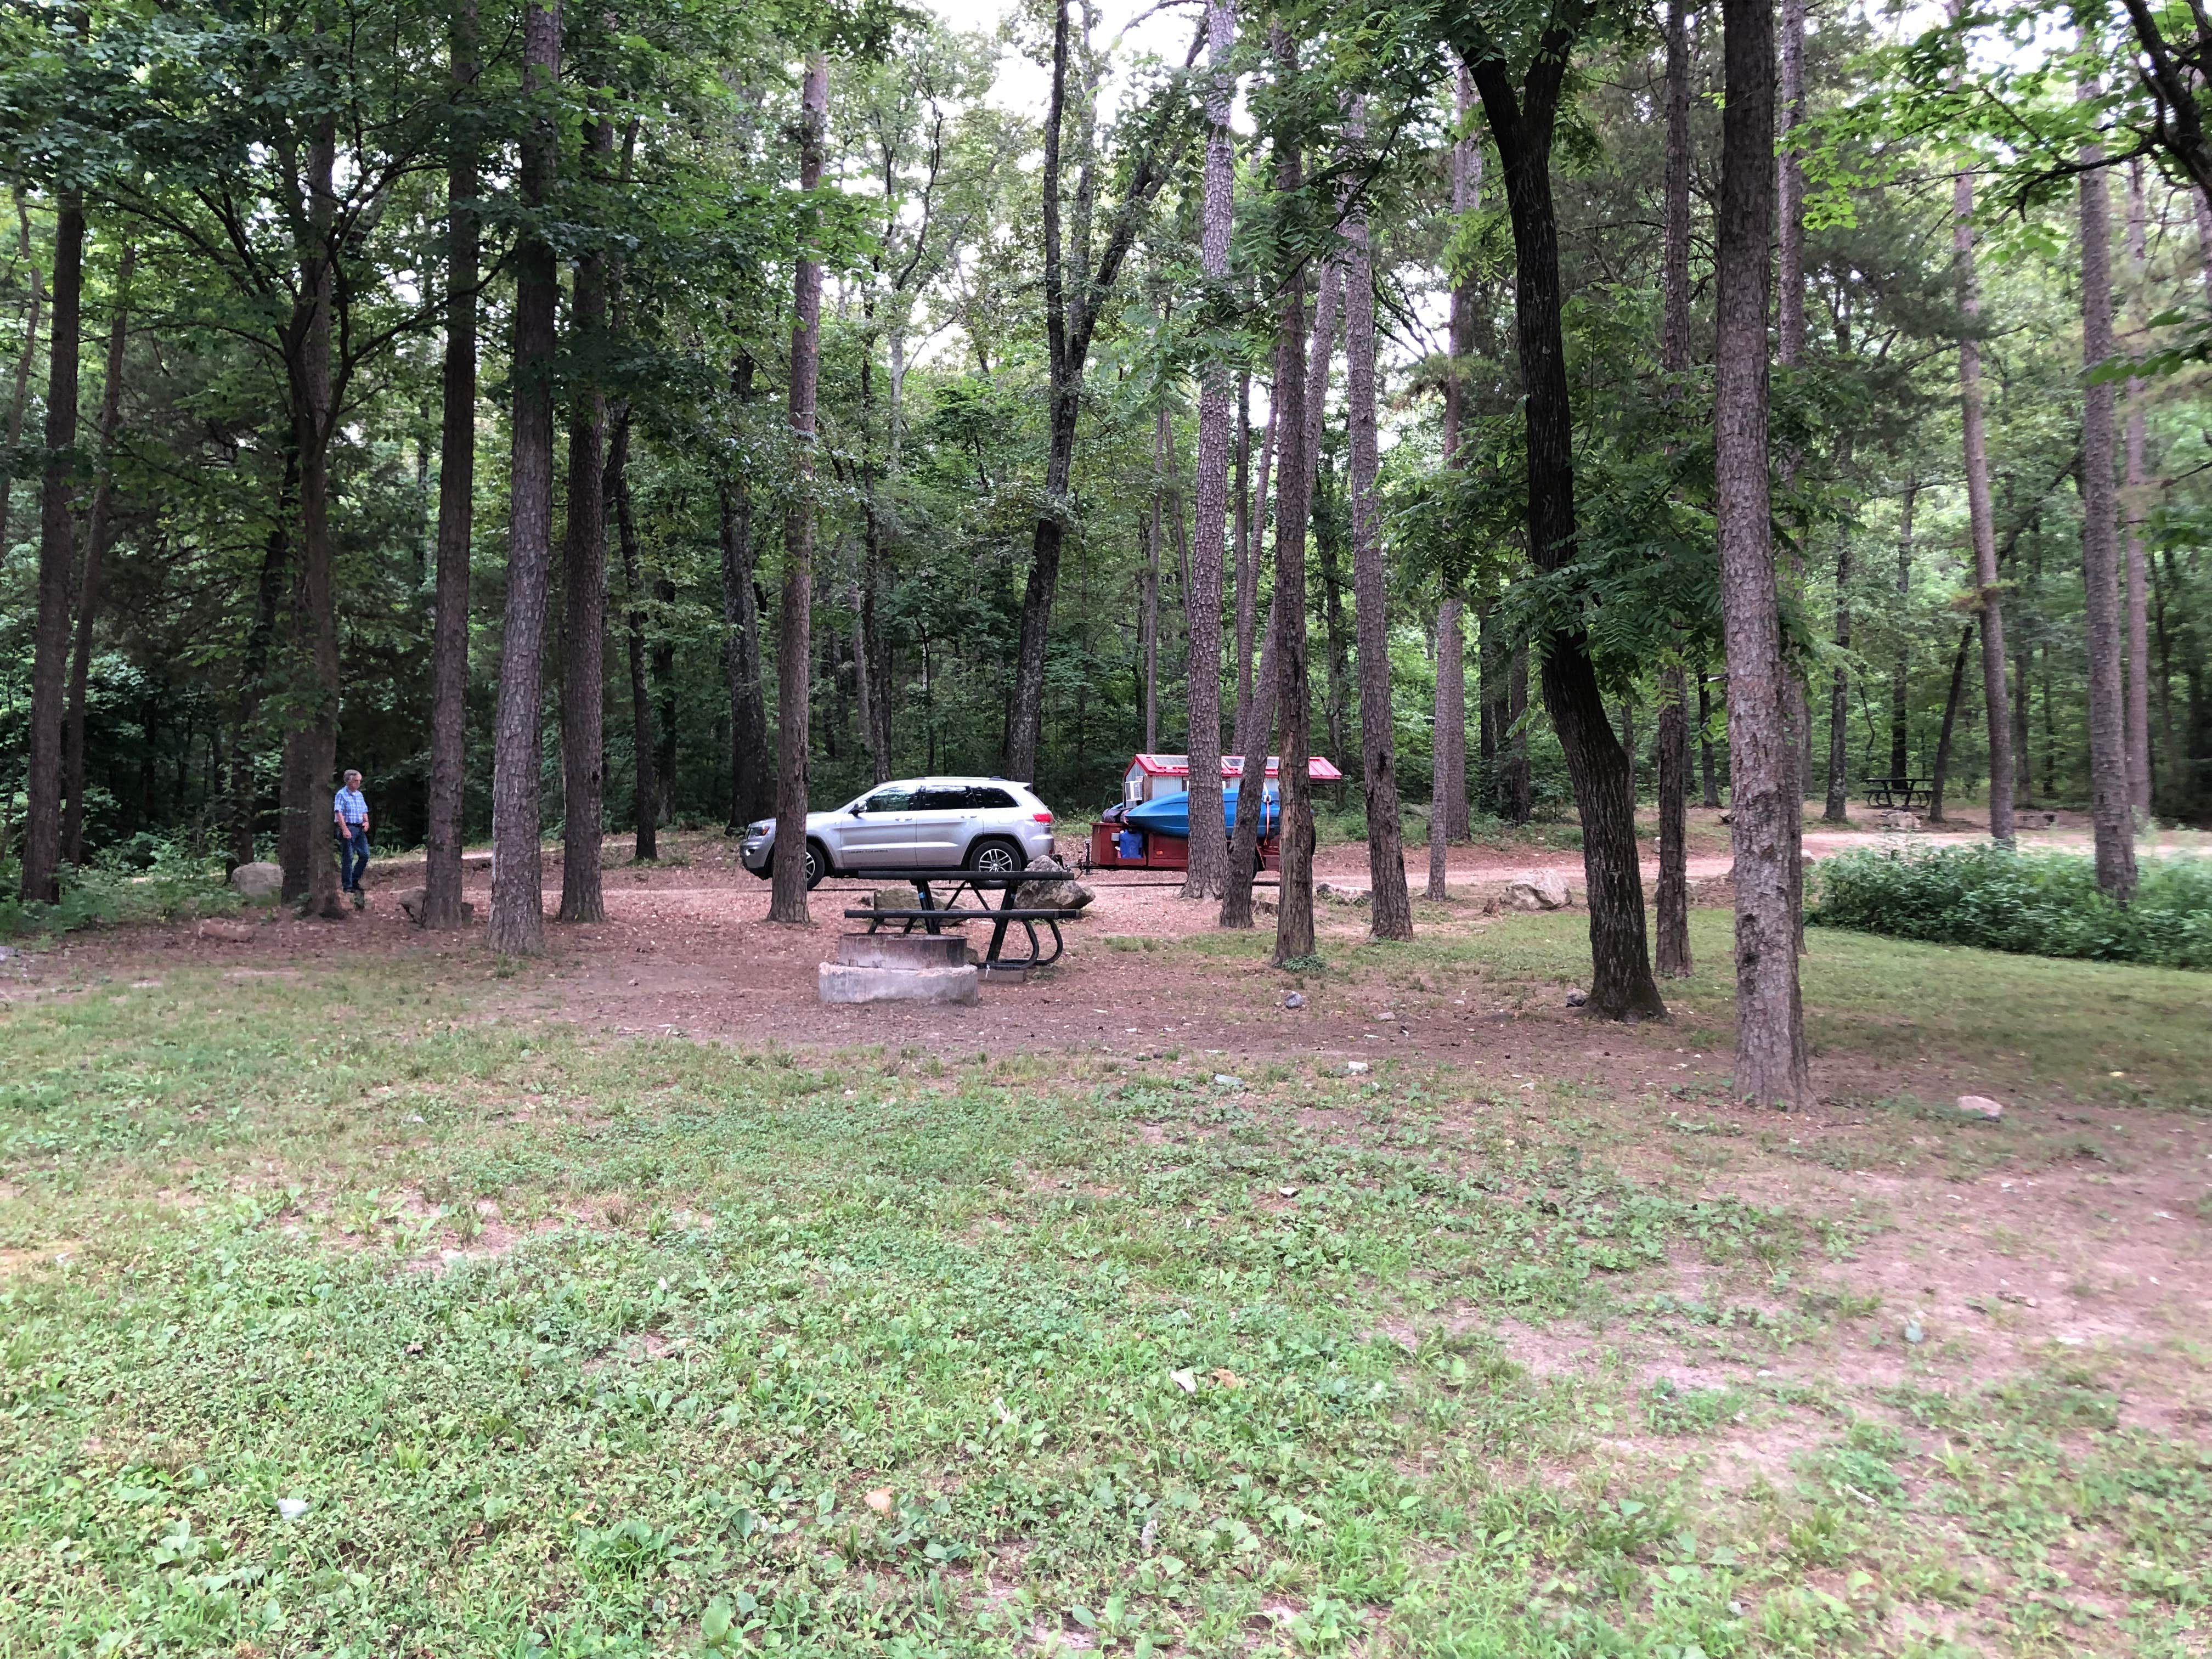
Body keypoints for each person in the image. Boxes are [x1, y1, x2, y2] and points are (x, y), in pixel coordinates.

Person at [334, 769, 371, 907]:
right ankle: (347, 885)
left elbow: (364, 810)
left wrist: (366, 821)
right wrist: (344, 829)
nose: (358, 783)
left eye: (359, 781)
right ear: (349, 781)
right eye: (356, 781)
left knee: (365, 855)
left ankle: (355, 879)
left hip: (359, 828)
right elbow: (339, 813)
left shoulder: (359, 795)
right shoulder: (341, 795)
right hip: (348, 827)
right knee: (348, 857)